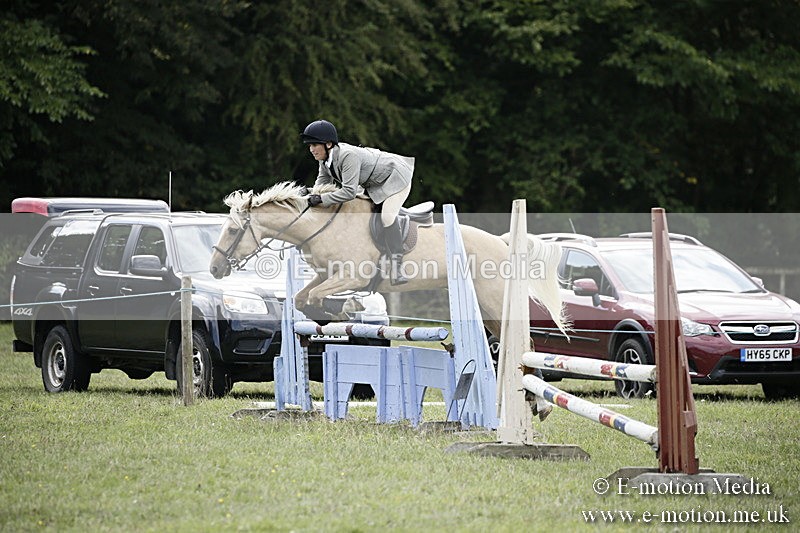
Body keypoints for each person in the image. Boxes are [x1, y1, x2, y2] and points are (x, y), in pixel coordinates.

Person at [300, 119, 414, 285]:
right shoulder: (325, 160)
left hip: (395, 178)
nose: (311, 149)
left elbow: (349, 192)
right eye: (310, 145)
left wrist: (321, 199)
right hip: (373, 184)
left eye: (314, 145)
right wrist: (308, 195)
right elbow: (321, 186)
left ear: (328, 144)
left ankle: (397, 267)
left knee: (387, 217)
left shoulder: (347, 156)